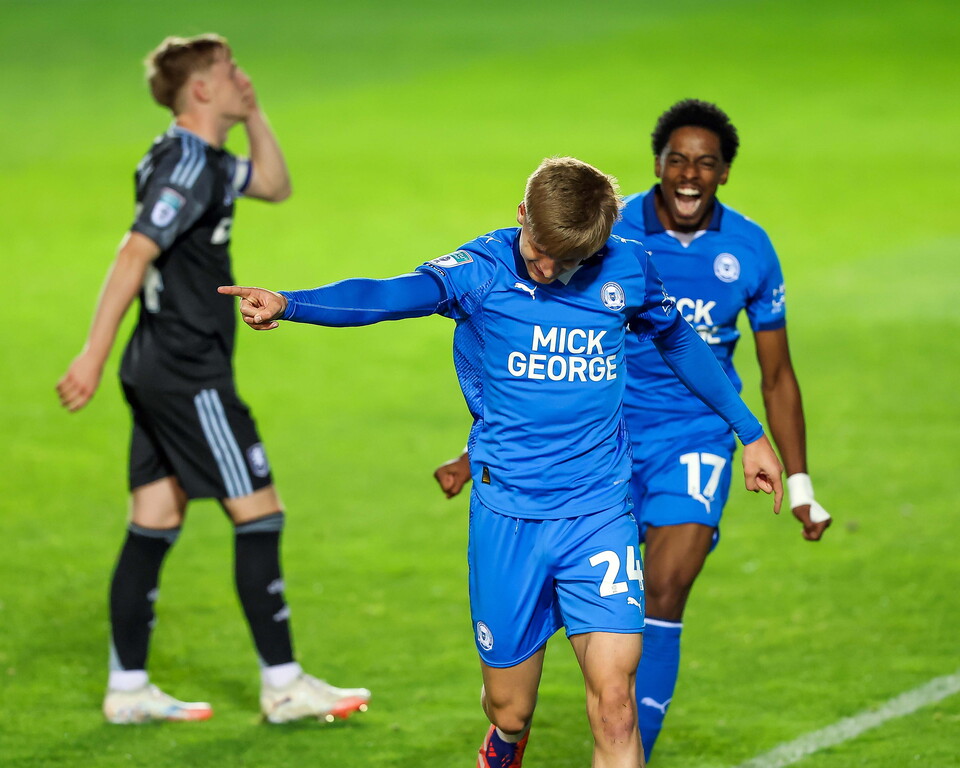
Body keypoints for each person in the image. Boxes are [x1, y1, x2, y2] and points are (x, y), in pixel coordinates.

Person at [219, 156, 783, 767]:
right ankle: (506, 743)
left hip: (598, 512)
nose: (546, 269)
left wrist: (749, 432)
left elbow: (674, 337)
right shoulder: (481, 271)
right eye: (539, 251)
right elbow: (390, 295)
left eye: (566, 262)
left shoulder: (627, 265)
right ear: (522, 215)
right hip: (508, 515)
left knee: (615, 703)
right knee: (510, 707)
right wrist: (289, 303)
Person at [433, 100, 832, 762]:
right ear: (656, 164)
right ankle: (511, 730)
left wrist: (796, 479)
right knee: (511, 700)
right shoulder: (602, 239)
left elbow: (776, 373)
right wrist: (474, 448)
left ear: (725, 173)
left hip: (690, 439)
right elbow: (546, 371)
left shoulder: (750, 249)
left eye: (705, 163)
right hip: (603, 440)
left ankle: (627, 739)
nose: (688, 174)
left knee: (661, 596)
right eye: (677, 158)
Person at [56, 34, 370, 725]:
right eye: (230, 73)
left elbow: (275, 185)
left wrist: (254, 113)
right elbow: (134, 251)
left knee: (155, 518)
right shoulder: (186, 167)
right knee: (259, 510)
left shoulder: (199, 158)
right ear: (200, 88)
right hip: (187, 368)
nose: (241, 77)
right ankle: (284, 683)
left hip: (159, 365)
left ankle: (128, 688)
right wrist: (90, 353)